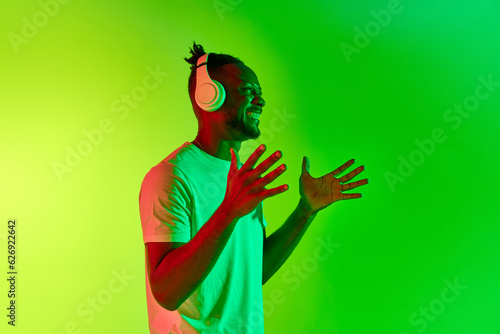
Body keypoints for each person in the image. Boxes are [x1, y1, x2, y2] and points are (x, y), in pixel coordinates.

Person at [138, 42, 369, 333]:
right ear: (209, 96)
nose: (260, 102)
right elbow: (166, 293)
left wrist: (305, 211)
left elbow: (250, 272)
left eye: (260, 94)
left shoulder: (243, 178)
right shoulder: (171, 177)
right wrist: (228, 211)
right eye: (248, 91)